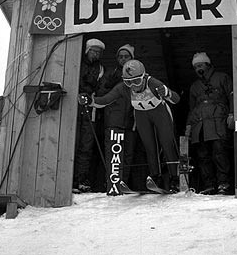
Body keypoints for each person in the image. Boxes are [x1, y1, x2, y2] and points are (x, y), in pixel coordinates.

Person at [79, 59, 181, 193]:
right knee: (150, 146)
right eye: (128, 82)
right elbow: (105, 100)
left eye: (136, 81)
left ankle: (175, 178)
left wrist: (167, 92)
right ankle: (156, 176)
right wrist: (90, 101)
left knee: (167, 144)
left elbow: (176, 99)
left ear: (144, 76)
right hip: (142, 116)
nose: (133, 85)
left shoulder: (153, 83)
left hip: (160, 114)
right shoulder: (123, 88)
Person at [185, 52, 234, 195]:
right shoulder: (194, 86)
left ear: (208, 64)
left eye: (200, 65)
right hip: (199, 125)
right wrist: (188, 126)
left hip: (218, 121)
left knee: (220, 153)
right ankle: (209, 185)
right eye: (195, 66)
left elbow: (232, 96)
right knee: (203, 155)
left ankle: (223, 184)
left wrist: (232, 113)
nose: (198, 68)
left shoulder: (222, 77)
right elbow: (191, 108)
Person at [96, 44, 137, 188]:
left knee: (128, 154)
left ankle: (123, 183)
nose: (123, 59)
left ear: (132, 58)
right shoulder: (110, 73)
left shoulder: (138, 74)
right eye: (120, 57)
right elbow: (100, 95)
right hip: (114, 119)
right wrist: (109, 86)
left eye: (126, 56)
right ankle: (113, 184)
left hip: (132, 120)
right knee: (114, 153)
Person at [73, 38, 105, 193]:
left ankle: (82, 179)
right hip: (73, 106)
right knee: (73, 142)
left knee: (86, 144)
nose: (96, 54)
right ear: (87, 50)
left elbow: (100, 87)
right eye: (94, 50)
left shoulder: (100, 68)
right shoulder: (76, 62)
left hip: (89, 107)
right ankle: (70, 178)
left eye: (99, 52)